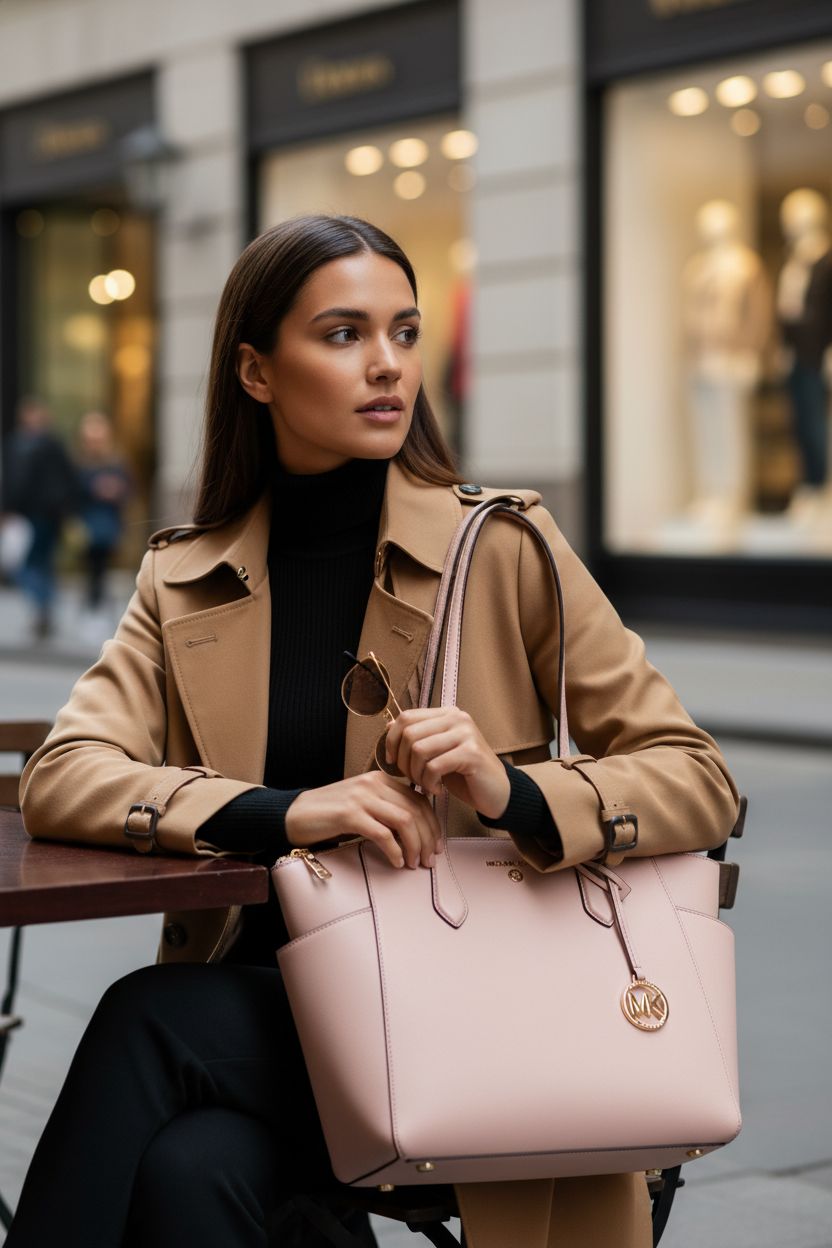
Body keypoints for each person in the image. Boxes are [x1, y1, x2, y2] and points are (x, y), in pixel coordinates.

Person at [12, 215, 741, 1248]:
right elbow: (64, 774)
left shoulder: (504, 547)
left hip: (479, 1012)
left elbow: (694, 777)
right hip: (296, 1032)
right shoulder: (184, 578)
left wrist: (511, 791)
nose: (387, 365)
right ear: (257, 373)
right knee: (191, 1170)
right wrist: (289, 812)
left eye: (402, 331)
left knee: (152, 1016)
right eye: (344, 334)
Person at [3, 396, 78, 638]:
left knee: (40, 562)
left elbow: (68, 478)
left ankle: (43, 605)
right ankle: (43, 604)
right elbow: (10, 481)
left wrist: (63, 506)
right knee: (26, 563)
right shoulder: (16, 444)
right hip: (26, 515)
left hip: (47, 515)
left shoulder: (50, 445)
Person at [75, 409, 132, 628]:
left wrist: (116, 491)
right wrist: (94, 489)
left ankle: (98, 610)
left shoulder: (117, 463)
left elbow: (128, 491)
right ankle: (92, 609)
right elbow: (72, 494)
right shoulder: (80, 464)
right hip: (87, 526)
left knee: (102, 569)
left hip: (109, 526)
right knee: (92, 569)